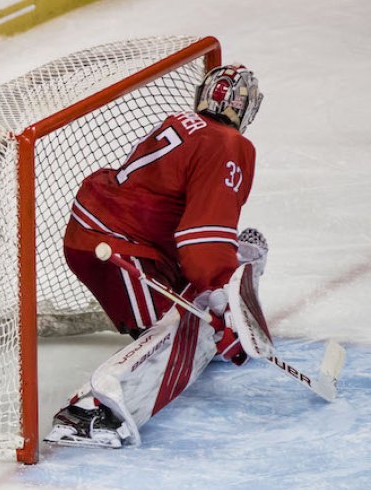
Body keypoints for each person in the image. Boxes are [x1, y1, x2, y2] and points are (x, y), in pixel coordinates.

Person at [45, 64, 268, 449]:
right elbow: (202, 242)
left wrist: (219, 306)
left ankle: (197, 322)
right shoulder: (230, 145)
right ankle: (89, 411)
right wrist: (221, 306)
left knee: (198, 309)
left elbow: (186, 230)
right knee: (181, 325)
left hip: (109, 234)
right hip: (116, 245)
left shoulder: (186, 123)